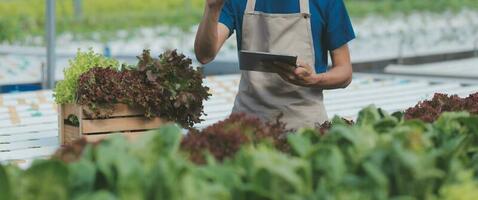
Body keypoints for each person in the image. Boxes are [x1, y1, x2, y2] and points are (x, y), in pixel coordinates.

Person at [195, 0, 355, 129]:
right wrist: (212, 9)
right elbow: (205, 55)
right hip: (247, 124)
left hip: (305, 129)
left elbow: (345, 72)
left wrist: (314, 80)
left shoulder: (328, 2)